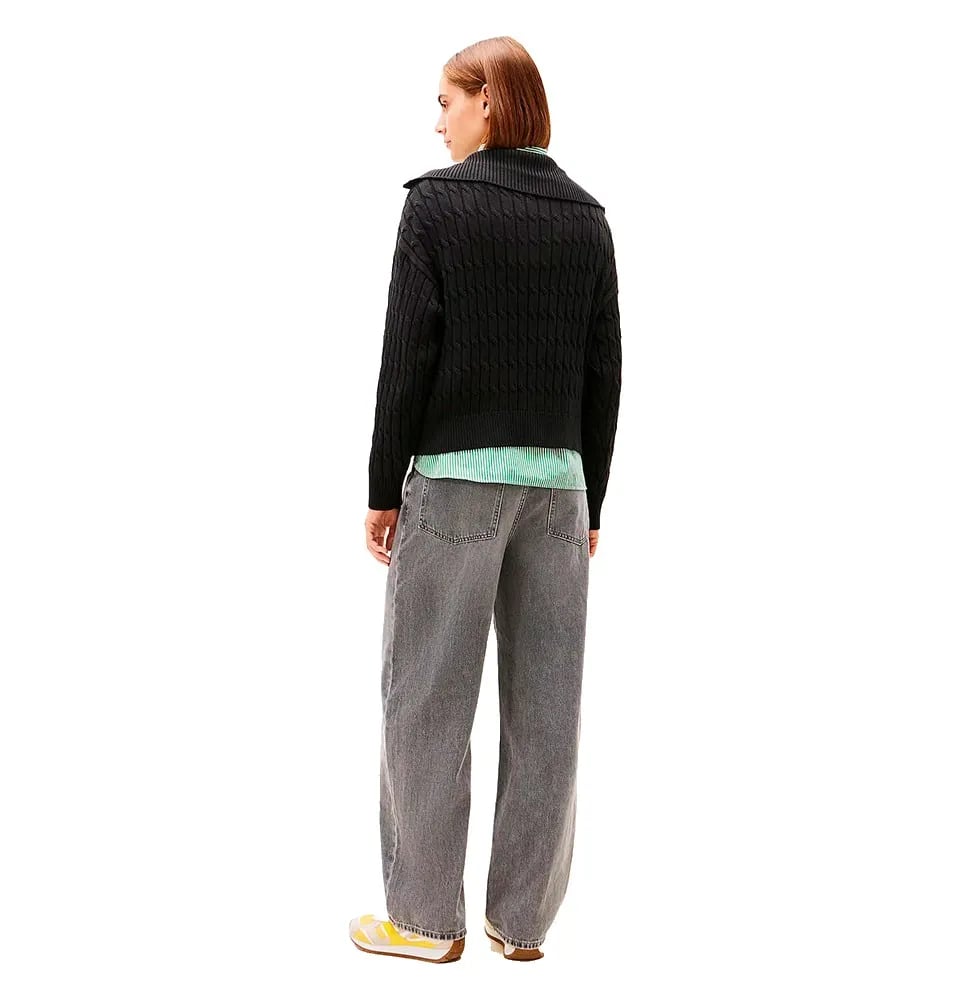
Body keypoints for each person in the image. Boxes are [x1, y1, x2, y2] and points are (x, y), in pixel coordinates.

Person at [349, 35, 622, 964]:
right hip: (559, 491)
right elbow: (604, 372)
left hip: (457, 484)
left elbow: (407, 355)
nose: (439, 122)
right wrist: (590, 502)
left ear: (489, 103)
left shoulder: (436, 205)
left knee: (428, 697)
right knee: (549, 708)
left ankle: (423, 921)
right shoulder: (588, 217)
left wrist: (383, 488)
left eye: (447, 102)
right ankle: (522, 924)